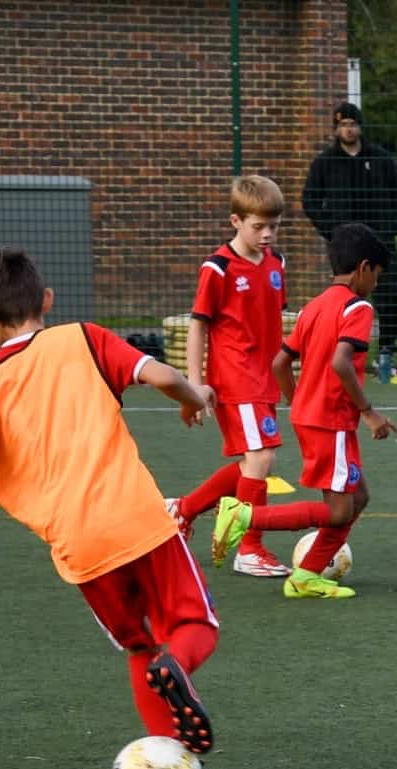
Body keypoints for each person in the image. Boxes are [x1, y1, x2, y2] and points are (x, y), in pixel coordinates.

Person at [0, 249, 225, 769]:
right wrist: (193, 398)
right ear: (47, 299)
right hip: (138, 520)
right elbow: (163, 376)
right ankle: (179, 664)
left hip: (80, 549)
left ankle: (177, 765)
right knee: (195, 623)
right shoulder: (84, 339)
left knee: (140, 648)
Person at [212, 223, 395, 601]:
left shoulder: (314, 306)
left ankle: (306, 575)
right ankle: (244, 517)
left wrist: (298, 400)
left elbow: (281, 361)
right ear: (363, 268)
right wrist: (369, 412)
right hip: (333, 422)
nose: (376, 284)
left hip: (310, 418)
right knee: (340, 510)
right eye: (377, 275)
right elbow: (342, 363)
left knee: (357, 497)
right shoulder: (357, 306)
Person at [168, 174, 293, 577]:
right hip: (234, 378)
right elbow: (198, 325)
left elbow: (273, 319)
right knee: (262, 456)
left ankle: (182, 510)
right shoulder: (218, 268)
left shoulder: (277, 264)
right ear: (235, 221)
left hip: (263, 380)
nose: (268, 234)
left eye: (274, 226)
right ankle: (250, 548)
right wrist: (194, 383)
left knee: (254, 465)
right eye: (259, 226)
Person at [301, 101, 397, 383]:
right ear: (336, 130)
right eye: (342, 125)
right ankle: (342, 353)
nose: (348, 130)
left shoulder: (381, 159)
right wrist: (332, 232)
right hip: (345, 246)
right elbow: (310, 200)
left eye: (352, 124)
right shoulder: (325, 162)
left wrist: (391, 228)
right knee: (343, 299)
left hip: (381, 242)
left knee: (388, 295)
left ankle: (386, 352)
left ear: (360, 127)